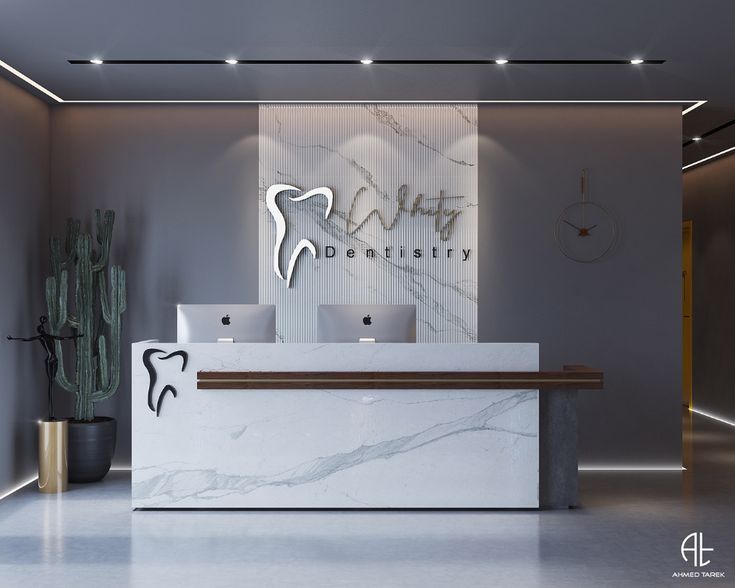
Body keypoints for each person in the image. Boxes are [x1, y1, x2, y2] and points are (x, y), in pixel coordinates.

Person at [7, 316, 82, 421]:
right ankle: (51, 414)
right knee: (50, 385)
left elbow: (63, 338)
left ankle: (52, 413)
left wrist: (77, 336)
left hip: (55, 359)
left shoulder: (49, 336)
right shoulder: (41, 337)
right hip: (49, 360)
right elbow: (26, 339)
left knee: (52, 383)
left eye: (41, 329)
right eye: (40, 330)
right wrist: (13, 338)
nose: (41, 331)